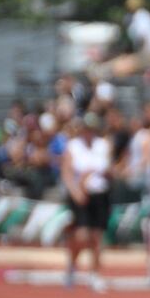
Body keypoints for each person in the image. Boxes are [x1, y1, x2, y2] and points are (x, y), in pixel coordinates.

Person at [60, 115, 111, 287]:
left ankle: (95, 273)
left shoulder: (103, 145)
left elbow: (108, 170)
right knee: (82, 235)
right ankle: (72, 264)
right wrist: (76, 192)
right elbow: (67, 174)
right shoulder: (73, 147)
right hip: (81, 195)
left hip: (100, 194)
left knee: (97, 236)